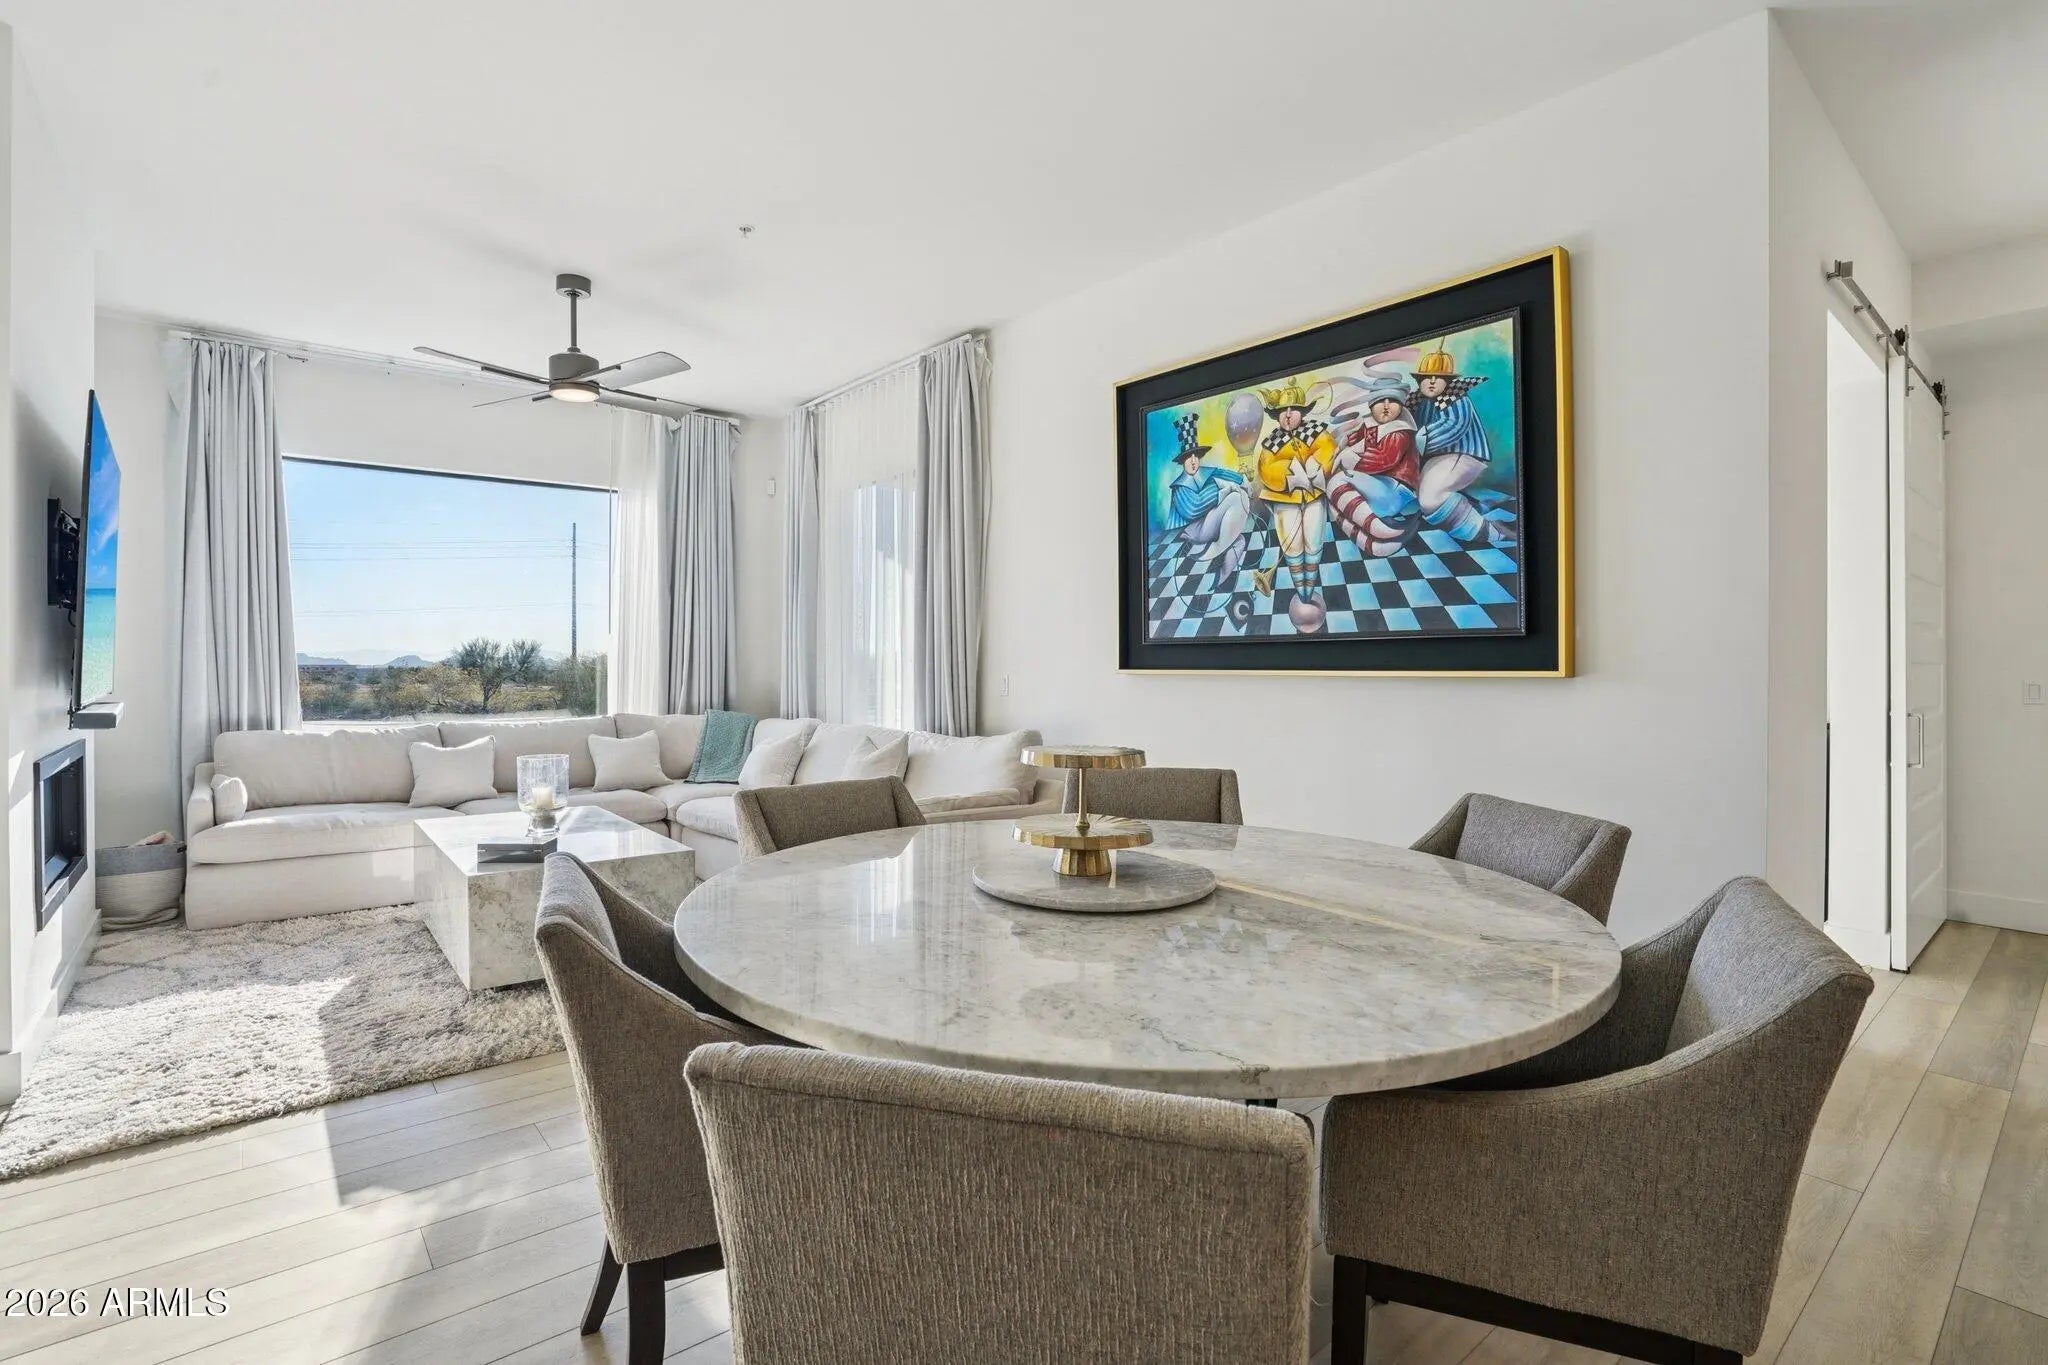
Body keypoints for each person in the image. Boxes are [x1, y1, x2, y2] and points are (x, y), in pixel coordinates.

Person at [1252, 377, 1337, 630]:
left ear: (1303, 412)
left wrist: (1315, 465)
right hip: (1284, 500)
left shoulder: (1317, 431)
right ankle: (1302, 593)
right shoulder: (1271, 442)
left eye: (1294, 410)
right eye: (1283, 411)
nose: (1288, 415)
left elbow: (1328, 450)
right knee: (1292, 546)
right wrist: (1290, 471)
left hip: (1314, 496)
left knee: (1313, 542)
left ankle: (1308, 592)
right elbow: (1266, 469)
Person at [1410, 341, 1510, 546]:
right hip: (1433, 457)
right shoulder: (1417, 400)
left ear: (1448, 381)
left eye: (1438, 377)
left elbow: (1454, 424)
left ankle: (1490, 531)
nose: (1432, 381)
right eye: (1426, 377)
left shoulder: (1454, 396)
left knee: (1430, 497)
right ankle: (1473, 505)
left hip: (1463, 453)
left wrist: (1417, 441)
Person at [1328, 375, 1421, 557]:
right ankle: (1374, 546)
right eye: (1380, 400)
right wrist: (1347, 441)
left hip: (1396, 491)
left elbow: (1383, 459)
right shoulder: (1371, 424)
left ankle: (1381, 531)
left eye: (1392, 400)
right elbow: (1362, 438)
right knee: (1333, 501)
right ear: (1371, 404)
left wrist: (1351, 458)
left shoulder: (1400, 430)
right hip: (1377, 489)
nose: (1386, 406)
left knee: (1337, 481)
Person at [1161, 410, 1250, 577]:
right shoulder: (1180, 486)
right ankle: (1216, 549)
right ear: (1183, 461)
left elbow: (1228, 475)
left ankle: (1222, 579)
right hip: (1197, 531)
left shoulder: (1206, 472)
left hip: (1213, 524)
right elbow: (1193, 508)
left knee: (1239, 542)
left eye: (1196, 456)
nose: (1193, 461)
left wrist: (1241, 481)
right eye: (1189, 457)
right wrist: (1223, 488)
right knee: (1234, 497)